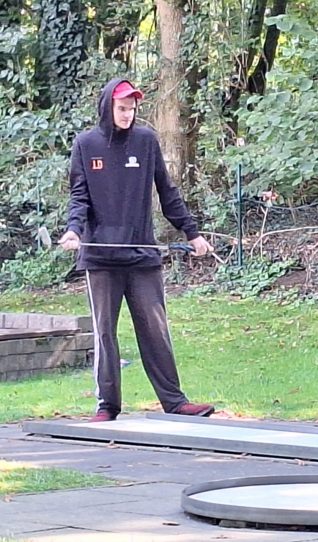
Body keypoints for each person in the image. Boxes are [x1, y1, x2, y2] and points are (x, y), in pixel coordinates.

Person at [58, 78, 215, 423]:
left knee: (155, 328)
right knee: (105, 332)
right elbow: (79, 196)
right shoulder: (86, 144)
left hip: (142, 254)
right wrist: (73, 231)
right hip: (100, 259)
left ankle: (175, 402)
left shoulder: (146, 141)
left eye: (132, 109)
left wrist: (191, 232)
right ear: (107, 107)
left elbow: (166, 190)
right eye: (121, 108)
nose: (128, 114)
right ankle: (107, 406)